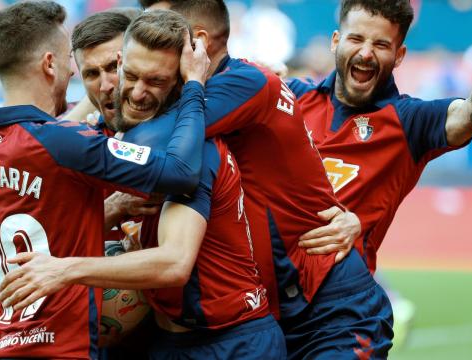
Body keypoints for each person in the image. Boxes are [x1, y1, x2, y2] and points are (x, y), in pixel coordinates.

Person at [0, 10, 286, 359]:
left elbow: (175, 263)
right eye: (128, 76)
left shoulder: (193, 150)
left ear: (178, 81)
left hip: (230, 341)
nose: (135, 93)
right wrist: (110, 211)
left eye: (155, 82)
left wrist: (67, 270)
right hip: (161, 342)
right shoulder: (99, 140)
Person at [135, 1, 392, 358]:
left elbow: (143, 146)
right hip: (278, 306)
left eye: (159, 31)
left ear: (197, 42)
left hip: (329, 304)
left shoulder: (242, 83)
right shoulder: (237, 83)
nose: (142, 46)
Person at [0, 1, 208, 358]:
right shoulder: (63, 141)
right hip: (60, 346)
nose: (72, 75)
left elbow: (49, 228)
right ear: (48, 64)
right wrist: (195, 83)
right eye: (69, 62)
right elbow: (179, 172)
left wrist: (108, 209)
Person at [288, 0, 472, 355]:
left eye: (381, 45)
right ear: (335, 41)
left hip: (342, 317)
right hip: (269, 312)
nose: (366, 54)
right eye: (356, 39)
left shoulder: (407, 121)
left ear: (399, 55)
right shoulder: (290, 102)